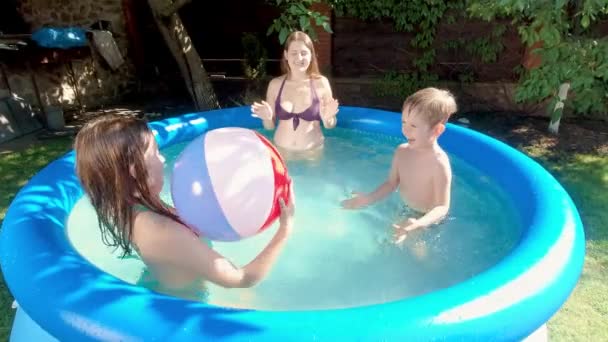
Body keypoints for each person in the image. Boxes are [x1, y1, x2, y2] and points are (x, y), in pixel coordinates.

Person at [74, 114, 295, 296]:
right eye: (156, 152)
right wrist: (285, 230)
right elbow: (240, 278)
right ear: (134, 170)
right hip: (187, 304)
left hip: (162, 288)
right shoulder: (163, 231)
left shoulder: (130, 206)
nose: (163, 159)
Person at [341, 87, 457, 244]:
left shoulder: (439, 163)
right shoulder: (402, 151)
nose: (405, 130)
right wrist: (368, 198)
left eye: (413, 126)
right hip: (406, 209)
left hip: (428, 220)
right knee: (389, 240)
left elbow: (442, 207)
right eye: (403, 122)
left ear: (437, 130)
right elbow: (391, 183)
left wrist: (419, 223)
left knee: (419, 254)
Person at [251, 31, 339, 155]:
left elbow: (330, 125)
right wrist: (267, 118)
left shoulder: (321, 83)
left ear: (311, 55)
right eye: (294, 53)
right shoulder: (275, 85)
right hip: (281, 153)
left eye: (304, 53)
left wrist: (328, 118)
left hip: (312, 155)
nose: (299, 58)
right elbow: (269, 127)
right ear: (286, 55)